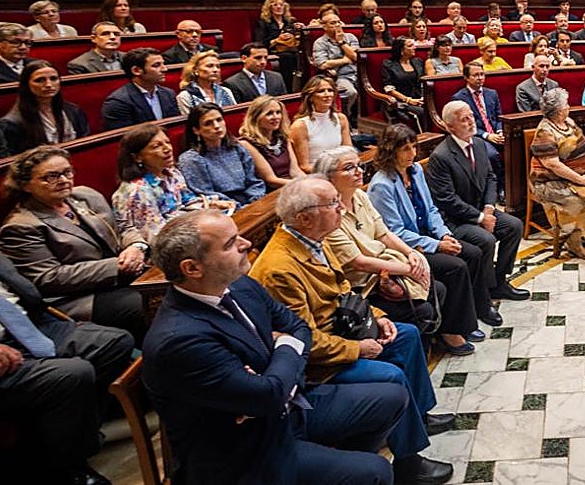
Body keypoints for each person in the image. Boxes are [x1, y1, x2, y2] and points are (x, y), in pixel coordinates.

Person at [143, 210, 402, 485]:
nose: (246, 244)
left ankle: (336, 468)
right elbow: (269, 394)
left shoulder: (240, 285)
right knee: (376, 471)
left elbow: (299, 328)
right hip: (244, 451)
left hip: (286, 409)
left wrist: (275, 367)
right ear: (192, 269)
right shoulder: (179, 339)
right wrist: (282, 350)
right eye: (230, 244)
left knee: (393, 397)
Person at [248, 177, 454, 485]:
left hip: (346, 329)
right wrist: (357, 349)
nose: (341, 208)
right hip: (320, 364)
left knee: (407, 335)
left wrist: (378, 317)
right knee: (391, 376)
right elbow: (304, 339)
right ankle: (409, 462)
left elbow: (344, 290)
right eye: (332, 203)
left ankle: (419, 416)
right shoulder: (280, 268)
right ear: (304, 217)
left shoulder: (314, 240)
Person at [0, 239, 133, 485]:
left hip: (32, 324)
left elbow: (21, 291)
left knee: (114, 343)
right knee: (73, 373)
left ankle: (67, 440)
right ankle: (66, 469)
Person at [317, 146, 477, 356]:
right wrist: (408, 269)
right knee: (426, 304)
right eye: (349, 168)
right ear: (329, 177)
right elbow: (359, 262)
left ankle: (441, 336)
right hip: (364, 284)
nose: (359, 171)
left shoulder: (360, 196)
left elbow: (384, 233)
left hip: (386, 264)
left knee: (439, 286)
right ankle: (415, 351)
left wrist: (412, 254)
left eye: (359, 165)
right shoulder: (329, 214)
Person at [0, 146, 149, 344]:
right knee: (144, 303)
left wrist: (136, 246)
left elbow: (122, 227)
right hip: (77, 297)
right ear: (25, 185)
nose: (63, 180)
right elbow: (48, 278)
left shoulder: (85, 196)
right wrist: (116, 266)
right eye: (51, 176)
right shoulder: (21, 226)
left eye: (67, 172)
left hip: (123, 276)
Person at [369, 124, 494, 343]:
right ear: (391, 150)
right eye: (405, 149)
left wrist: (444, 235)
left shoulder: (416, 170)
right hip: (407, 249)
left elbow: (431, 210)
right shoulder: (382, 185)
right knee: (456, 266)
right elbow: (394, 232)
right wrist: (436, 245)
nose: (412, 153)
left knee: (473, 253)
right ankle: (451, 330)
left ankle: (475, 312)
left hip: (428, 236)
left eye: (414, 147)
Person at [425, 101, 529, 318]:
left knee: (514, 226)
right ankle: (483, 295)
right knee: (485, 240)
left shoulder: (479, 145)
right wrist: (481, 218)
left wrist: (489, 209)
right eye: (464, 119)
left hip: (481, 210)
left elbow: (490, 178)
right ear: (450, 126)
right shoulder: (441, 157)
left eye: (471, 116)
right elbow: (447, 200)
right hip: (455, 220)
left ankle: (499, 281)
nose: (471, 121)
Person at [529, 88, 585, 273]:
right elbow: (553, 165)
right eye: (566, 104)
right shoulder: (544, 131)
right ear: (559, 110)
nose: (569, 107)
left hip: (576, 176)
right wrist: (581, 180)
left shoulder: (568, 122)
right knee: (583, 203)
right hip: (549, 182)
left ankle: (574, 241)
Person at [111, 124, 229, 242]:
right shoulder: (138, 191)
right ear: (138, 157)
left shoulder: (171, 172)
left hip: (188, 228)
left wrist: (211, 203)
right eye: (156, 146)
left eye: (167, 142)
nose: (167, 149)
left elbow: (187, 201)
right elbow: (156, 235)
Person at [178, 103, 267, 207]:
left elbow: (253, 181)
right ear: (196, 130)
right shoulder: (191, 159)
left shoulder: (237, 148)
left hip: (253, 203)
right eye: (208, 123)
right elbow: (206, 194)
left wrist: (256, 202)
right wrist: (240, 207)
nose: (216, 126)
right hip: (224, 208)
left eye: (219, 120)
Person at [0, 61, 89, 154]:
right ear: (26, 84)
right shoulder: (12, 123)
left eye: (53, 79)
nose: (48, 85)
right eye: (39, 80)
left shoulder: (74, 110)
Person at [101, 47, 178, 130]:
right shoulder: (118, 102)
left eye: (163, 64)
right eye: (156, 65)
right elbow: (126, 136)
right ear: (136, 71)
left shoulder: (168, 94)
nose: (165, 69)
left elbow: (175, 128)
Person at [289, 76, 352, 174]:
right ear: (310, 97)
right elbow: (304, 166)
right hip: (317, 174)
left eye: (330, 90)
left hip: (341, 171)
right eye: (321, 91)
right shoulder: (300, 126)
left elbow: (348, 152)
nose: (327, 95)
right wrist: (332, 173)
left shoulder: (341, 119)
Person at [239, 95, 304, 189]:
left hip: (293, 186)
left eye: (278, 112)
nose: (276, 117)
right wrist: (302, 185)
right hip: (272, 191)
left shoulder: (283, 137)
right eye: (269, 113)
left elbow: (295, 171)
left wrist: (310, 182)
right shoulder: (247, 143)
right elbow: (271, 180)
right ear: (255, 117)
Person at [312, 12, 360, 112]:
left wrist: (341, 42)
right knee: (350, 92)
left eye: (338, 22)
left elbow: (355, 57)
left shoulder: (350, 37)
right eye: (333, 23)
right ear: (324, 26)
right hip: (340, 76)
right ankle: (344, 115)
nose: (337, 25)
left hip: (359, 73)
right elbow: (323, 64)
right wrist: (345, 60)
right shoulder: (320, 43)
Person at [381, 37, 429, 132]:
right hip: (399, 102)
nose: (414, 47)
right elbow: (389, 89)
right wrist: (408, 100)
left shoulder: (418, 61)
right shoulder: (389, 64)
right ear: (401, 50)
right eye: (410, 46)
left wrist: (423, 97)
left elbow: (423, 81)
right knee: (422, 112)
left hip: (419, 98)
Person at [256, 0, 302, 83]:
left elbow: (297, 37)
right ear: (269, 8)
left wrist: (300, 30)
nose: (279, 7)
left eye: (281, 5)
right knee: (287, 57)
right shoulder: (263, 23)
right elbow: (260, 42)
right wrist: (277, 40)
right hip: (274, 51)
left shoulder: (290, 22)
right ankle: (287, 86)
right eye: (275, 5)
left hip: (291, 49)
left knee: (299, 55)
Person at [177, 50, 237, 114]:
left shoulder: (226, 91)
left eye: (218, 67)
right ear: (195, 70)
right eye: (210, 66)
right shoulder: (185, 96)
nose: (215, 70)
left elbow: (234, 115)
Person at [224, 43, 288, 103]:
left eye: (265, 58)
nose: (263, 62)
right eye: (258, 58)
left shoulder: (277, 77)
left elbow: (284, 103)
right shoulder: (232, 83)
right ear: (244, 58)